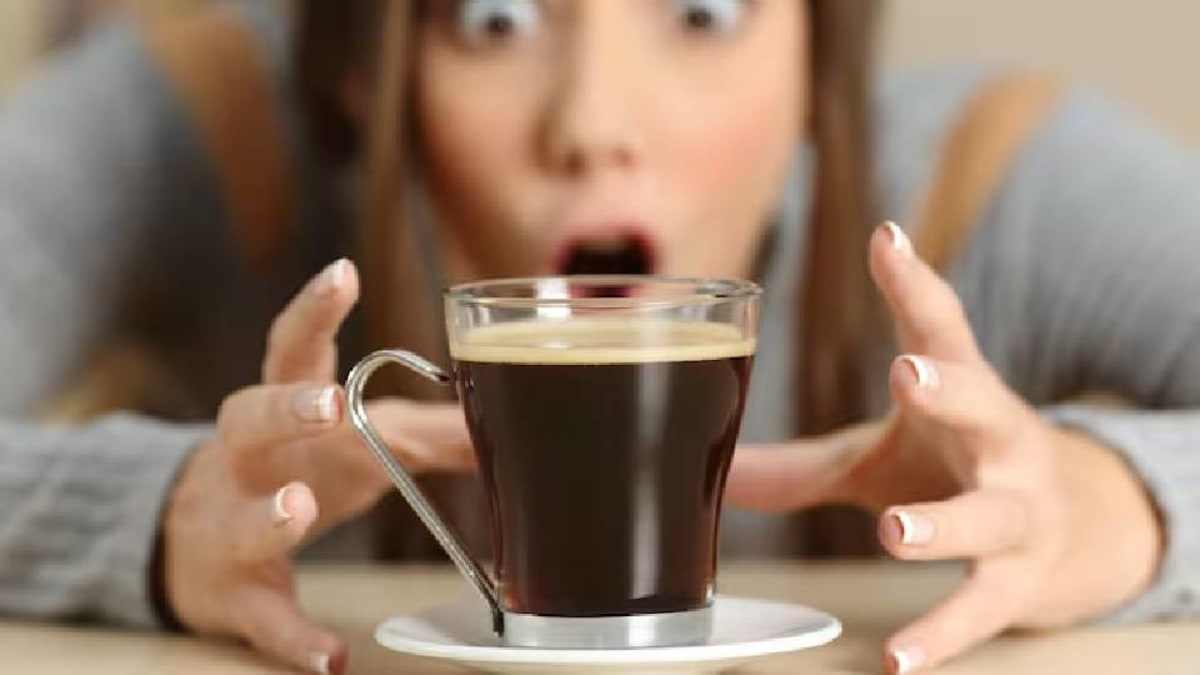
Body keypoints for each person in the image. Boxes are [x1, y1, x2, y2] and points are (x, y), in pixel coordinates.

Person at [0, 1, 1197, 673]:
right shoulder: (208, 123)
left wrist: (1117, 502)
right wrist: (157, 519)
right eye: (497, 21)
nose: (593, 125)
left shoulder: (988, 180)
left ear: (817, 63)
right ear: (370, 78)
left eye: (702, 13)